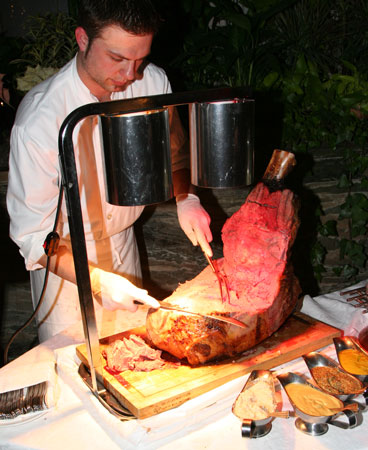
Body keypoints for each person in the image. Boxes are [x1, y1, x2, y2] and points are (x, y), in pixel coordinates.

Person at [6, 0, 213, 342]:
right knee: (75, 377)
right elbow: (33, 237)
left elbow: (175, 154)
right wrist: (100, 282)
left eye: (139, 60)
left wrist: (186, 197)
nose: (130, 75)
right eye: (117, 59)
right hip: (66, 270)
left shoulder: (152, 82)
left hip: (124, 246)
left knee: (137, 358)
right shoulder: (40, 121)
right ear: (83, 39)